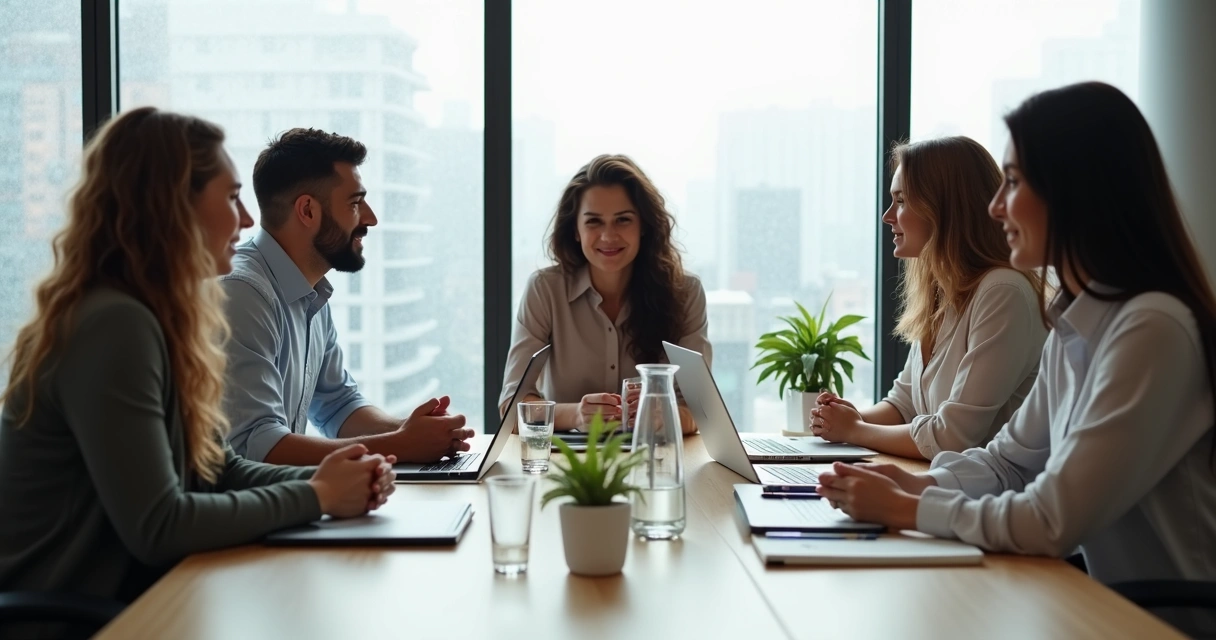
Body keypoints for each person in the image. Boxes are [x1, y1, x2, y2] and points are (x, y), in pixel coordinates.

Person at [817, 83, 1216, 607]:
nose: (995, 206)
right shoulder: (1076, 322)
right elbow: (1008, 464)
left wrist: (907, 509)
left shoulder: (1151, 328)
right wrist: (913, 485)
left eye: (1012, 183)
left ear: (1074, 191)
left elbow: (1051, 518)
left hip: (1168, 616)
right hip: (1101, 600)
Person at [0, 108, 395, 620]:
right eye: (232, 198)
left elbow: (214, 470)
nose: (250, 220)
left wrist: (333, 479)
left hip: (128, 601)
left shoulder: (155, 319)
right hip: (70, 621)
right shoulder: (113, 324)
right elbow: (159, 525)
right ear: (173, 209)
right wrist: (318, 494)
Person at [221, 128, 473, 465]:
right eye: (355, 203)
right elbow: (256, 446)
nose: (370, 218)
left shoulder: (310, 290)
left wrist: (414, 431)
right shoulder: (243, 293)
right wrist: (402, 444)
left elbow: (339, 405)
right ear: (307, 211)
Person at [809, 137, 1047, 460]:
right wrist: (848, 417)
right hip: (949, 488)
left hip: (985, 500)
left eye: (901, 201)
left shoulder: (1002, 292)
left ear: (945, 208)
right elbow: (903, 405)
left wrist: (854, 430)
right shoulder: (943, 294)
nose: (887, 216)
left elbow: (952, 437)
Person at [500, 154, 710, 434]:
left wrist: (663, 414)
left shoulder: (686, 293)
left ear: (644, 226)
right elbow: (512, 409)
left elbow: (701, 412)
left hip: (653, 458)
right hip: (568, 467)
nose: (608, 236)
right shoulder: (545, 290)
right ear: (575, 230)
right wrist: (576, 415)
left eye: (623, 220)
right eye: (594, 222)